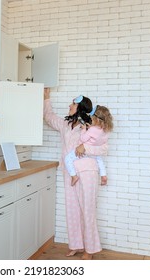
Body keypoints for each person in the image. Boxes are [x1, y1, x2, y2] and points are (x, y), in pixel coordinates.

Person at [43, 88, 108, 260]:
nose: (69, 105)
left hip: (87, 170)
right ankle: (77, 245)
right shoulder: (66, 124)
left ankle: (90, 249)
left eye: (73, 103)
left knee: (87, 210)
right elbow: (49, 117)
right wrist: (46, 99)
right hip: (69, 172)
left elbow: (104, 147)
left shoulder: (91, 125)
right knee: (72, 210)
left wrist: (84, 147)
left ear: (80, 107)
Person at [64, 105, 113, 186]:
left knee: (67, 159)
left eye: (92, 118)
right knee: (100, 161)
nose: (91, 119)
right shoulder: (105, 131)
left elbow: (83, 139)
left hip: (85, 151)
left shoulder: (92, 130)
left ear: (96, 119)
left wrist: (84, 129)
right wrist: (90, 129)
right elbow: (100, 139)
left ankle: (74, 176)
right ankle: (103, 175)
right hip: (95, 153)